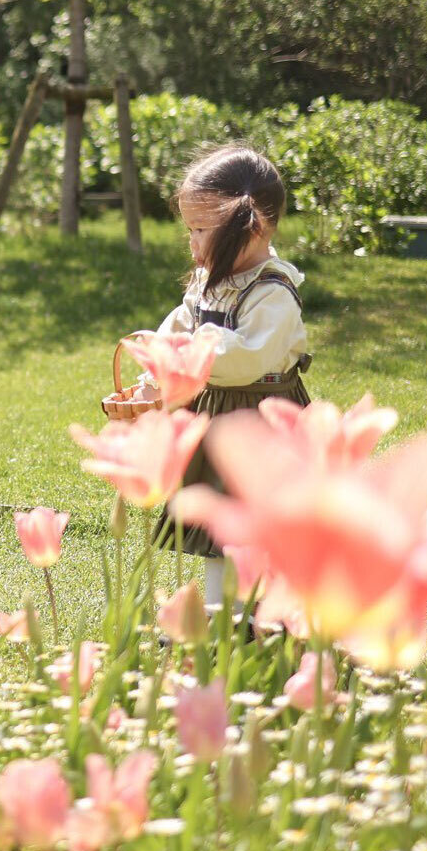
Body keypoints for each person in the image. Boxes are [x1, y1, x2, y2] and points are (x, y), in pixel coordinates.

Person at [148, 145, 310, 613]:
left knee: (255, 520)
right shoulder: (211, 281)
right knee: (221, 525)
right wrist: (157, 364)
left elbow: (246, 358)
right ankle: (226, 615)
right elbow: (179, 323)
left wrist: (193, 348)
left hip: (259, 420)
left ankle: (261, 615)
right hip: (218, 416)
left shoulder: (272, 293)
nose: (192, 243)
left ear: (250, 227)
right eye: (189, 230)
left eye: (201, 230)